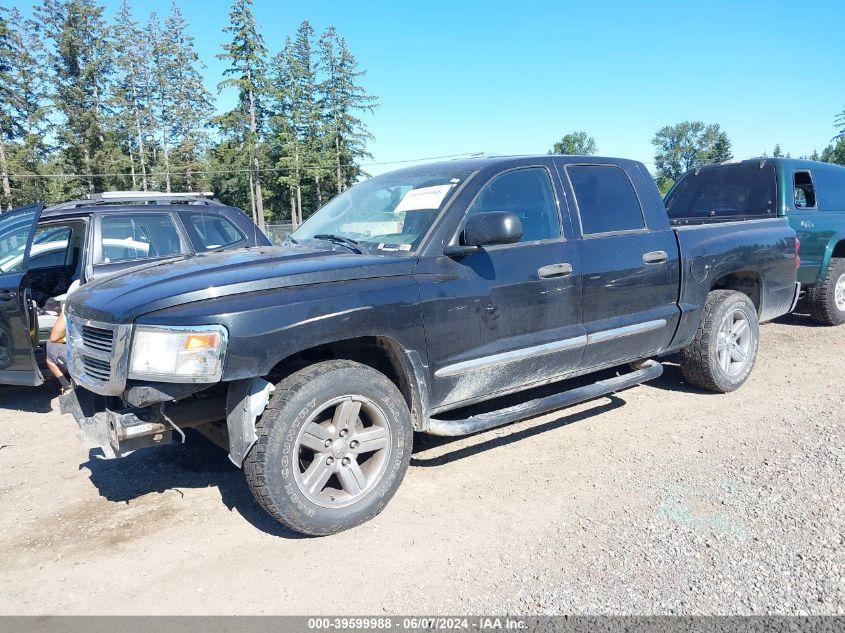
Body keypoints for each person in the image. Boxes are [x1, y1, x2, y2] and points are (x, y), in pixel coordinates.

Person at [45, 279, 80, 394]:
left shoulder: (71, 307)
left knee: (48, 348)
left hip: (83, 352)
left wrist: (64, 339)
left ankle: (67, 387)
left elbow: (54, 338)